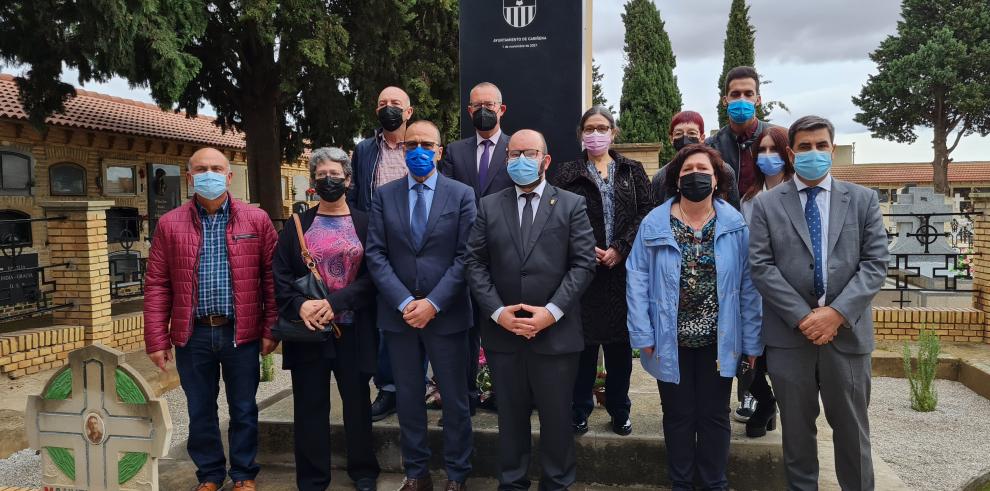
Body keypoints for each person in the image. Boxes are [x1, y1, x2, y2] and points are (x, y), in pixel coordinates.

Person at [749, 116, 889, 490]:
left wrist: (836, 314)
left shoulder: (862, 200)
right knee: (796, 437)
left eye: (821, 146)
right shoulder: (766, 205)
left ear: (832, 148)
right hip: (789, 340)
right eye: (805, 147)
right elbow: (761, 268)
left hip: (847, 338)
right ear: (792, 153)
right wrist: (803, 317)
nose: (814, 153)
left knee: (853, 435)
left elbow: (875, 264)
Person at [465, 129, 596, 490]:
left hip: (555, 336)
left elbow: (583, 264)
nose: (521, 160)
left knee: (556, 421)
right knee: (510, 419)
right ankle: (512, 483)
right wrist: (497, 312)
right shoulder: (489, 205)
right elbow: (474, 263)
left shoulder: (571, 205)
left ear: (545, 159)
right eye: (514, 153)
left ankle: (557, 483)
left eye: (530, 153)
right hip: (503, 336)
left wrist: (550, 312)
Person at [626, 144, 762, 490]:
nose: (695, 175)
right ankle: (682, 482)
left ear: (716, 180)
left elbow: (749, 287)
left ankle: (714, 482)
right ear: (676, 179)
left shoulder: (734, 225)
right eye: (687, 171)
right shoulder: (654, 223)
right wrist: (643, 335)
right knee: (678, 415)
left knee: (715, 416)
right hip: (669, 339)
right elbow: (637, 279)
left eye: (703, 169)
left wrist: (750, 340)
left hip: (721, 339)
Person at [144, 147, 279, 491]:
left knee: (244, 408)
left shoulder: (256, 220)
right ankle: (209, 475)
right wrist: (157, 338)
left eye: (216, 168)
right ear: (189, 177)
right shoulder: (169, 223)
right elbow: (157, 283)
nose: (209, 174)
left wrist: (270, 329)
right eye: (201, 169)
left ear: (229, 176)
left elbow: (273, 279)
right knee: (200, 410)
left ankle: (244, 474)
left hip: (241, 333)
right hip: (194, 335)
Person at [365, 120, 477, 491]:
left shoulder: (461, 195)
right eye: (411, 143)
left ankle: (457, 474)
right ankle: (416, 473)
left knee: (455, 400)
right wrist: (403, 301)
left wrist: (432, 302)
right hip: (399, 318)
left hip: (446, 314)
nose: (418, 150)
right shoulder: (385, 195)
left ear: (439, 150)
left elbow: (466, 256)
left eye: (426, 144)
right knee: (408, 399)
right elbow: (376, 254)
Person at [273, 147, 380, 491]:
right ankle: (312, 478)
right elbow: (280, 274)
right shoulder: (297, 225)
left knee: (358, 403)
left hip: (353, 329)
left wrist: (335, 302)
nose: (328, 180)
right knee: (309, 405)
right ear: (313, 182)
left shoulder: (366, 223)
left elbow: (373, 277)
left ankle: (363, 471)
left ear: (348, 180)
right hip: (308, 331)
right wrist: (300, 306)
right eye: (321, 176)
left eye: (335, 175)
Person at [550, 106, 652, 436]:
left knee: (620, 347)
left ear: (613, 132)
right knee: (584, 347)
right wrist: (583, 248)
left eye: (602, 127)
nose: (596, 134)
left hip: (622, 272)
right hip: (583, 272)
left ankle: (619, 408)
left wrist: (621, 247)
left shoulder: (632, 171)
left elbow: (645, 213)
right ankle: (579, 407)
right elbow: (555, 218)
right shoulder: (566, 173)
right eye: (590, 128)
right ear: (581, 134)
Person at [440, 81, 515, 413]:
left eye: (489, 103)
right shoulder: (455, 152)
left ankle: (505, 396)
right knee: (464, 333)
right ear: (469, 111)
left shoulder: (517, 149)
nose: (483, 110)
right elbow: (446, 200)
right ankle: (466, 399)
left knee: (502, 329)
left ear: (502, 109)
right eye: (476, 105)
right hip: (464, 255)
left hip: (506, 255)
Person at [349, 86, 414, 421]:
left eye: (395, 104)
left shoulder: (420, 146)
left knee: (412, 317)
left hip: (415, 246)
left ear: (409, 112)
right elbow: (357, 195)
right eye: (382, 104)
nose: (388, 109)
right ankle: (387, 389)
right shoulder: (364, 150)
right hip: (375, 245)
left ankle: (417, 386)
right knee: (381, 322)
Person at [735, 125, 794, 438]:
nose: (768, 156)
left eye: (775, 150)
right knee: (748, 356)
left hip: (791, 291)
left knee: (780, 358)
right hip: (754, 287)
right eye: (762, 151)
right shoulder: (749, 198)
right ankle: (765, 401)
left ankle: (780, 409)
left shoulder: (799, 192)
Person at [707, 66, 771, 199]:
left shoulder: (776, 138)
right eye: (735, 94)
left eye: (748, 94)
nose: (742, 99)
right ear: (725, 100)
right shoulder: (711, 146)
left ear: (758, 100)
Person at [652, 111, 740, 208]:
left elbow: (734, 210)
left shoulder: (724, 170)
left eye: (691, 133)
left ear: (702, 138)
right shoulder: (660, 177)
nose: (685, 137)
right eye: (678, 133)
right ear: (671, 139)